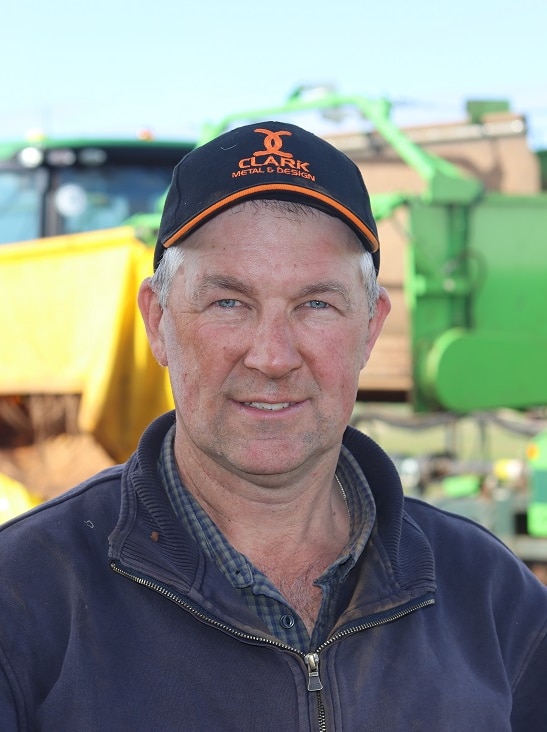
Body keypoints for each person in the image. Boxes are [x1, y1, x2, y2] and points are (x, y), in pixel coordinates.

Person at [1, 121, 546, 732]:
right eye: (229, 302)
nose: (272, 355)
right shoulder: (25, 598)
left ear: (370, 327)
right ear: (158, 322)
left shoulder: (492, 598)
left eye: (316, 304)